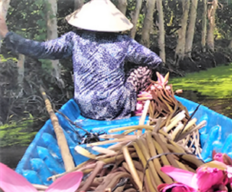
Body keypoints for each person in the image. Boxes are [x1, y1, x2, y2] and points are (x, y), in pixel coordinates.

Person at [0, 0, 162, 120]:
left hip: (86, 108)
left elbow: (41, 49)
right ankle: (145, 100)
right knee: (143, 70)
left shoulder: (74, 40)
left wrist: (7, 34)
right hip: (116, 108)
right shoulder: (123, 42)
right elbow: (155, 61)